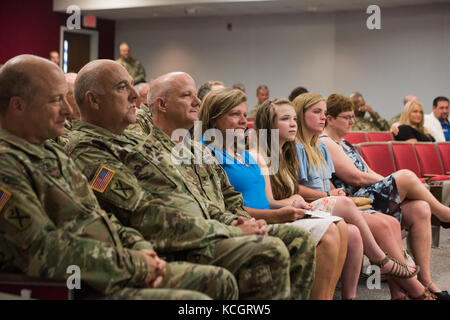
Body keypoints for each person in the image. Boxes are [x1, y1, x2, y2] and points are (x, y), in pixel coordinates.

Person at [0, 55, 238, 300]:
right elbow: (42, 250)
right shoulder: (7, 165)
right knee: (198, 297)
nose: (68, 109)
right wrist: (134, 265)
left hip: (117, 264)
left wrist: (140, 248)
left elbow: (99, 217)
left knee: (220, 282)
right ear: (18, 106)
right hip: (77, 284)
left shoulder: (50, 152)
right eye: (55, 100)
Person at [67, 64, 315, 300]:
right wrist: (231, 229)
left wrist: (234, 221)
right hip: (173, 242)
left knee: (296, 240)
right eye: (123, 88)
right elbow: (144, 212)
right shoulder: (95, 148)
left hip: (203, 229)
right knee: (268, 252)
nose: (134, 95)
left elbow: (218, 198)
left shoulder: (141, 143)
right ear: (94, 100)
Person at [198, 88, 346, 300]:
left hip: (269, 217)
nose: (243, 120)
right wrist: (280, 214)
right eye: (234, 115)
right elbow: (225, 208)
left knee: (339, 225)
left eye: (244, 114)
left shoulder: (241, 152)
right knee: (329, 233)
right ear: (214, 119)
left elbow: (265, 199)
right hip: (251, 221)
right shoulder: (207, 154)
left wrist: (290, 205)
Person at [321, 93, 450, 299]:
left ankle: (425, 280)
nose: (353, 121)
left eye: (353, 116)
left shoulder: (345, 143)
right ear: (330, 119)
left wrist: (389, 183)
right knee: (406, 175)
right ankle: (444, 214)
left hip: (368, 194)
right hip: (356, 200)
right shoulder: (325, 142)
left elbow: (368, 172)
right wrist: (393, 183)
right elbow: (354, 177)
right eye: (347, 117)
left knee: (420, 208)